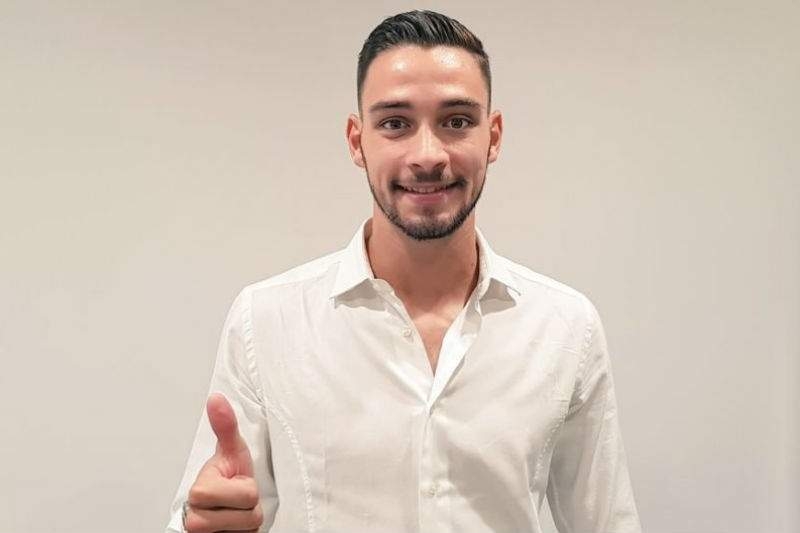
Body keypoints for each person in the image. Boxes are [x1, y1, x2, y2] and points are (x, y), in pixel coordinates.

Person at [166, 10, 642, 533]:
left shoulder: (566, 327)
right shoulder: (265, 321)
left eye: (456, 121)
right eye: (395, 123)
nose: (428, 155)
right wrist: (203, 521)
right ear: (357, 141)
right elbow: (205, 512)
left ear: (493, 136)